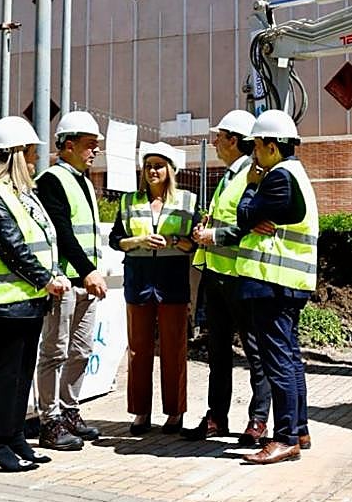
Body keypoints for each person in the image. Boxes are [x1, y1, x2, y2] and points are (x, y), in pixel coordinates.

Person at [0, 115, 71, 472]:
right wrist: (46, 279)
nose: (35, 159)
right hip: (4, 300)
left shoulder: (21, 195)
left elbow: (35, 243)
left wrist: (48, 278)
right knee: (6, 371)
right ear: (16, 153)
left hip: (27, 299)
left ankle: (14, 436)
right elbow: (12, 247)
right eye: (30, 152)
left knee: (21, 371)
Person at [229, 109, 319, 465]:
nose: (253, 153)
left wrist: (251, 186)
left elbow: (245, 215)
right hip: (287, 283)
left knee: (278, 361)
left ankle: (284, 438)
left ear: (270, 145)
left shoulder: (278, 178)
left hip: (274, 283)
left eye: (256, 145)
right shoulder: (295, 173)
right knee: (291, 358)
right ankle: (298, 429)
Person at [184, 109, 272, 444]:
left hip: (241, 278)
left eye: (219, 136)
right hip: (218, 276)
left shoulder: (254, 174)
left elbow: (254, 224)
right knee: (217, 352)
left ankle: (258, 420)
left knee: (254, 352)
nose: (215, 142)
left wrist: (214, 236)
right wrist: (205, 230)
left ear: (233, 140)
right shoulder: (228, 176)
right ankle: (216, 417)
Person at [109, 142, 199, 435]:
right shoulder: (128, 202)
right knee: (138, 350)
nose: (152, 171)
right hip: (139, 280)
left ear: (171, 170)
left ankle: (175, 412)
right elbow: (116, 240)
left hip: (172, 281)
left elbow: (195, 243)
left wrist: (173, 241)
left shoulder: (188, 201)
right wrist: (139, 241)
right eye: (148, 166)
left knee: (174, 349)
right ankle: (140, 412)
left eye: (159, 165)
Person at [33, 111, 108, 451]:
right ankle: (48, 421)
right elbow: (62, 232)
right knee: (55, 352)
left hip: (85, 283)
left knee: (80, 351)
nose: (94, 151)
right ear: (67, 145)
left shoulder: (84, 182)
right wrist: (87, 269)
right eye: (89, 145)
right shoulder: (51, 180)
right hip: (65, 281)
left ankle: (69, 410)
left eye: (96, 146)